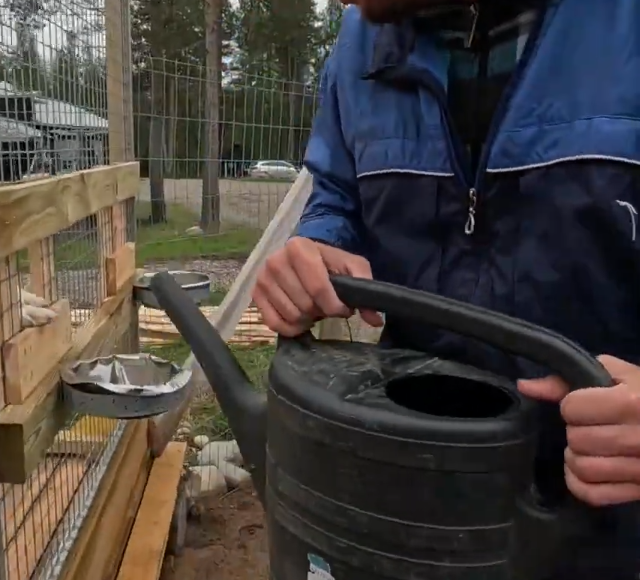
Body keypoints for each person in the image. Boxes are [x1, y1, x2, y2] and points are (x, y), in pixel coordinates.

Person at [252, 1, 640, 578]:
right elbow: (338, 195)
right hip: (410, 500)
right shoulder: (361, 40)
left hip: (598, 527)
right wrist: (316, 244)